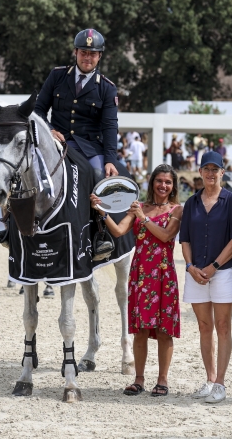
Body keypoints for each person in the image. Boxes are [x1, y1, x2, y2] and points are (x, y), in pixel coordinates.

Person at [90, 165, 183, 397]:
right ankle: (139, 379)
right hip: (140, 274)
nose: (163, 185)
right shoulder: (138, 206)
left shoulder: (177, 210)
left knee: (164, 330)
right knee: (140, 330)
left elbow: (165, 236)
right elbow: (120, 231)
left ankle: (162, 380)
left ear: (173, 186)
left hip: (163, 274)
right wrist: (101, 210)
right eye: (159, 180)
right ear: (152, 182)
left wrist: (143, 219)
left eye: (168, 182)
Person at [180, 151, 232, 404]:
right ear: (200, 172)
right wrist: (189, 266)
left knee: (222, 326)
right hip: (195, 272)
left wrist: (215, 266)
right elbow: (184, 239)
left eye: (215, 169)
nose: (210, 173)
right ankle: (209, 380)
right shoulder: (191, 203)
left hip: (225, 272)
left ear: (223, 172)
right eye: (206, 169)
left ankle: (220, 382)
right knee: (204, 326)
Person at [34, 28, 119, 180]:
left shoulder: (107, 88)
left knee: (99, 176)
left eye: (92, 54)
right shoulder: (57, 75)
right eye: (83, 52)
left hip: (89, 148)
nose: (87, 57)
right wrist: (49, 130)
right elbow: (38, 110)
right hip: (56, 143)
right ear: (75, 52)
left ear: (99, 56)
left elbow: (110, 127)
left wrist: (110, 160)